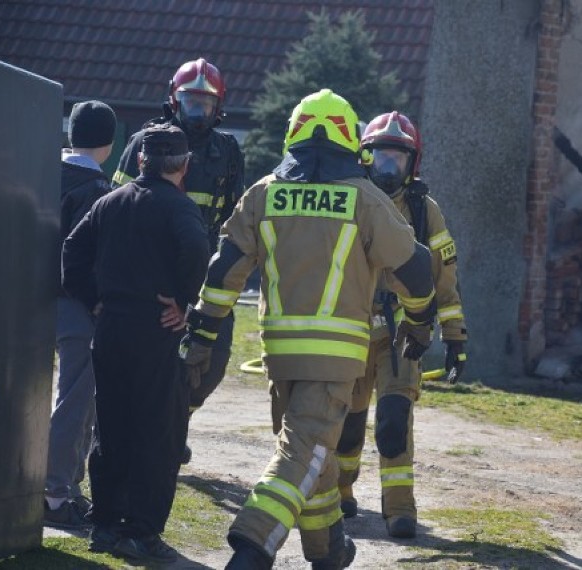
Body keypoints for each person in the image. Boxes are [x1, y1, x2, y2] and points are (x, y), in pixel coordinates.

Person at [179, 89, 437, 569]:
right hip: (336, 359)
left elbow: (223, 273)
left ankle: (328, 550)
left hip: (281, 356)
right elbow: (417, 269)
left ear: (293, 133)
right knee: (301, 457)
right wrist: (420, 325)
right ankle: (253, 545)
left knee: (309, 457)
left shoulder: (264, 194)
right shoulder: (365, 199)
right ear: (350, 140)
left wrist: (203, 337)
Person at [63, 125, 209, 564]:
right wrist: (184, 302)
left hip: (110, 330)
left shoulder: (109, 202)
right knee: (158, 433)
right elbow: (198, 249)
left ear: (140, 161)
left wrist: (94, 300)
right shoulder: (180, 209)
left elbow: (72, 251)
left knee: (111, 427)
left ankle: (105, 525)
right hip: (156, 331)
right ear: (183, 166)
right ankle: (141, 533)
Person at [335, 111, 469, 539]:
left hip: (403, 334)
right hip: (353, 330)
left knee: (393, 423)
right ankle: (340, 494)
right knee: (348, 425)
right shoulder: (350, 198)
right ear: (365, 156)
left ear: (413, 163)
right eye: (381, 157)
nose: (389, 167)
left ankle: (399, 510)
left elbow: (443, 278)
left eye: (398, 159)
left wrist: (454, 338)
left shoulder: (424, 211)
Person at [112, 57, 245, 464]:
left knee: (214, 358)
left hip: (203, 277)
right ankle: (156, 431)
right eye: (190, 102)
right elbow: (119, 208)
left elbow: (235, 217)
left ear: (218, 106)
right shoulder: (145, 142)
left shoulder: (227, 150)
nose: (197, 111)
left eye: (204, 104)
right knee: (151, 360)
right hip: (151, 274)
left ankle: (177, 416)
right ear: (174, 99)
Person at [44, 100, 117, 531]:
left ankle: (67, 487)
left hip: (19, 301)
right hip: (75, 305)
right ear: (108, 144)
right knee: (76, 400)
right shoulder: (97, 192)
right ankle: (55, 494)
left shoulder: (39, 172)